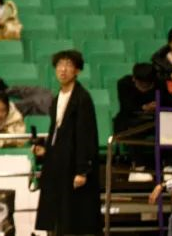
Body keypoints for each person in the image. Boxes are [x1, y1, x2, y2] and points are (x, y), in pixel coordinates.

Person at [34, 50, 100, 236]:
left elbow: (86, 135)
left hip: (73, 165)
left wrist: (82, 170)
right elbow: (57, 133)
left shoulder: (82, 98)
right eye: (60, 65)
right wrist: (45, 150)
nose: (63, 69)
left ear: (77, 70)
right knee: (57, 216)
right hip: (57, 164)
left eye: (68, 65)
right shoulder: (57, 98)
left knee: (74, 219)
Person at [152, 26, 172, 107]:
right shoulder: (159, 60)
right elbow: (157, 79)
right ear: (169, 43)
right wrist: (170, 76)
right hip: (168, 102)